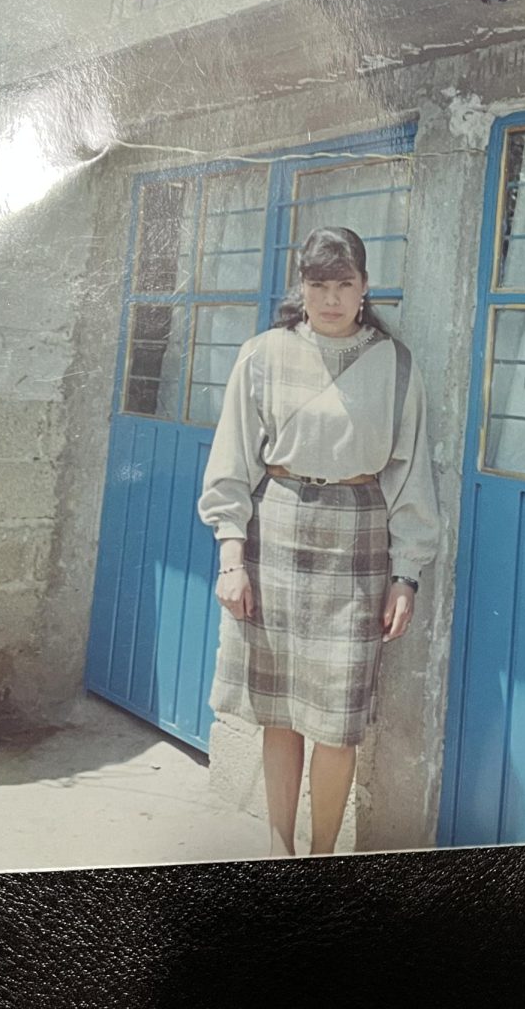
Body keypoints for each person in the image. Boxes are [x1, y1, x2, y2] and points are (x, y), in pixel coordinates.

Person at [197, 225, 440, 857]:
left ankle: (324, 854)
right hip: (272, 531)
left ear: (364, 288)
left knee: (336, 720)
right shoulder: (263, 354)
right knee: (279, 708)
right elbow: (231, 464)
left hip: (357, 542)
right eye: (317, 284)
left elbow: (412, 478)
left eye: (344, 284)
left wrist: (406, 573)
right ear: (301, 288)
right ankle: (282, 851)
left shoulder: (396, 365)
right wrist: (231, 556)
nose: (330, 298)